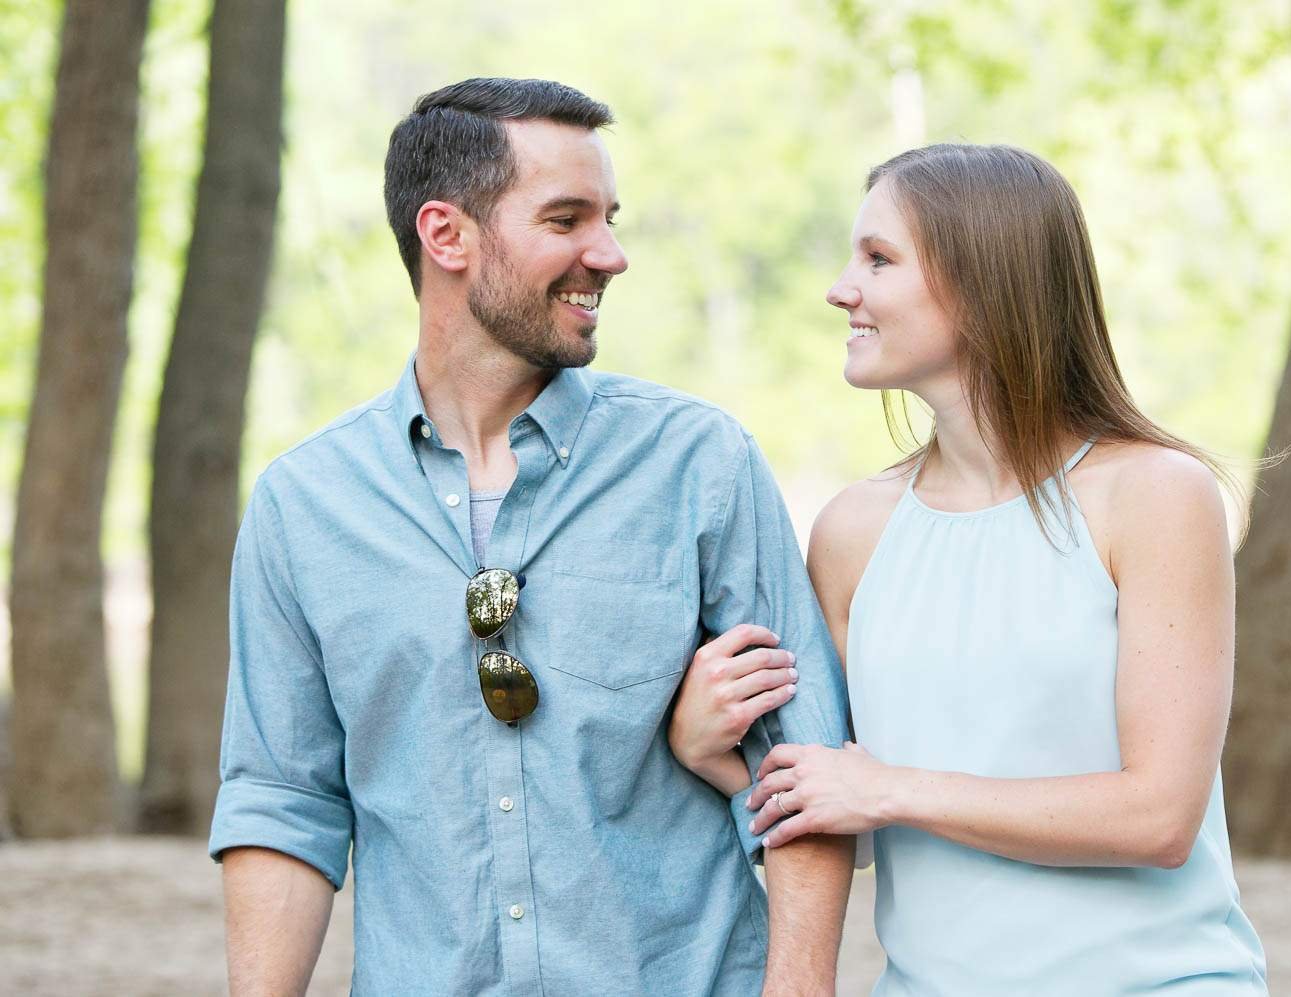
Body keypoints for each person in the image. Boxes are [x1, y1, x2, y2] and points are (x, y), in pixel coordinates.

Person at [209, 78, 856, 996]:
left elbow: (808, 768)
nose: (612, 254)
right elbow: (284, 803)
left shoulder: (698, 463)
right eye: (566, 220)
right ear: (447, 236)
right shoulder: (304, 504)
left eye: (611, 218)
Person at [669, 144, 1269, 994]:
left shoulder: (1154, 496)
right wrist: (714, 757)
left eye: (879, 259)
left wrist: (890, 788)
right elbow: (861, 822)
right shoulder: (853, 532)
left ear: (984, 280)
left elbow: (1159, 816)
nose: (842, 288)